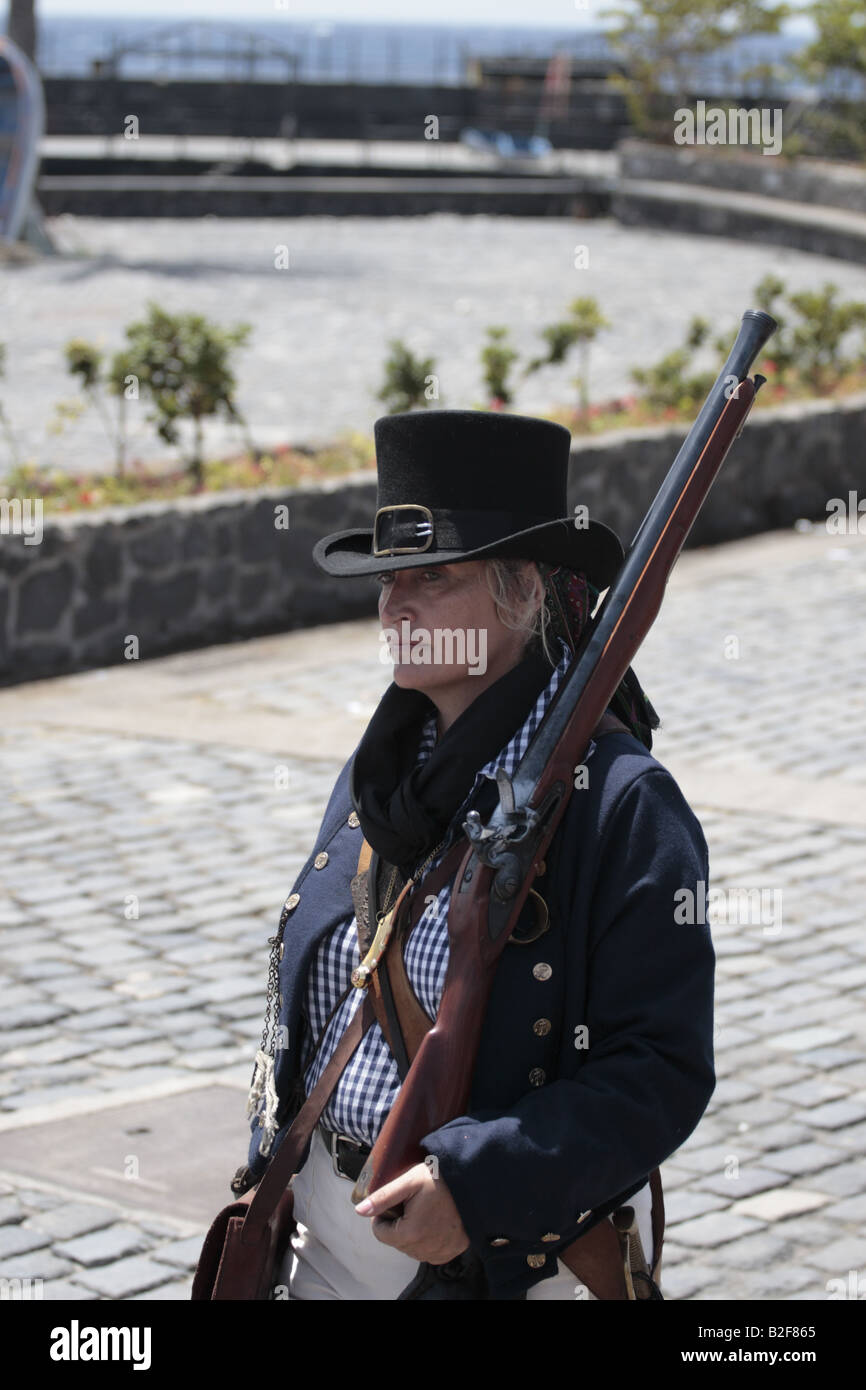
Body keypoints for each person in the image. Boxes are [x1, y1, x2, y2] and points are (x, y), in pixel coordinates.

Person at [236, 409, 716, 1301]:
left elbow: (661, 1067)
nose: (395, 604)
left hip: (513, 1252)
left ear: (524, 588)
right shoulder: (379, 775)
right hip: (323, 1231)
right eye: (390, 579)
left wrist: (480, 1181)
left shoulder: (622, 802)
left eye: (434, 577)